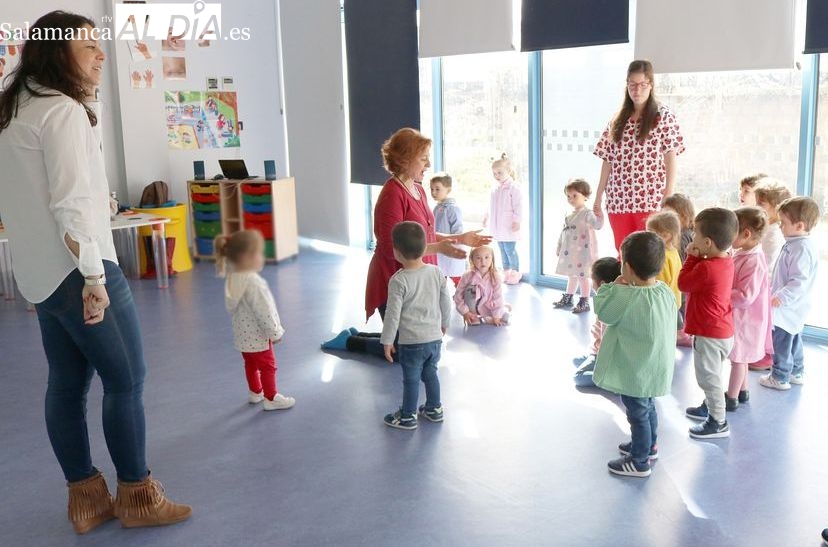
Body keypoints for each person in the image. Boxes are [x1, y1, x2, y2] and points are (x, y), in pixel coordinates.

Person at [0, 11, 190, 533]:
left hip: (40, 273)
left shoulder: (14, 106)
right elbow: (68, 207)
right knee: (126, 381)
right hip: (79, 270)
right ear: (56, 53)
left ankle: (85, 500)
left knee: (66, 384)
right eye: (88, 46)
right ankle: (138, 497)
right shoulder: (61, 111)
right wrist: (95, 279)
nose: (101, 55)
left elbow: (39, 198)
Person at [322, 128, 489, 353]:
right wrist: (440, 248)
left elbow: (424, 235)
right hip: (395, 282)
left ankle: (356, 336)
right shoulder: (392, 194)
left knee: (414, 342)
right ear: (405, 160)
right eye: (423, 158)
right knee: (406, 351)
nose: (428, 164)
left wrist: (461, 238)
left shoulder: (418, 189)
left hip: (418, 281)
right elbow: (395, 249)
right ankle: (350, 341)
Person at [593, 232, 677, 477]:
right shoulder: (664, 292)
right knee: (648, 408)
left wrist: (612, 286)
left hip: (634, 370)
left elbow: (604, 312)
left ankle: (640, 461)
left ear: (627, 267)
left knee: (637, 412)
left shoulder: (625, 295)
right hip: (655, 366)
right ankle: (649, 446)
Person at [593, 60, 685, 253]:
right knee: (623, 252)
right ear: (626, 86)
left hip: (650, 197)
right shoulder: (618, 119)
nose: (637, 90)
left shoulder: (663, 116)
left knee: (648, 254)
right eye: (632, 84)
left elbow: (671, 155)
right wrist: (598, 196)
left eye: (643, 84)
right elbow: (607, 160)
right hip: (619, 200)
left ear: (651, 85)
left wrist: (668, 192)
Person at [380, 222, 451, 430]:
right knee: (431, 373)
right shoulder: (436, 272)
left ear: (396, 252)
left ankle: (408, 416)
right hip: (434, 338)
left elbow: (392, 315)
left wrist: (386, 341)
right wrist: (445, 323)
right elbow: (446, 301)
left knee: (411, 379)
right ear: (424, 247)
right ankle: (434, 408)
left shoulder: (398, 281)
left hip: (411, 342)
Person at [215, 230, 295, 411]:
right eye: (259, 253)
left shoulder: (233, 276)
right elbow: (264, 312)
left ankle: (255, 391)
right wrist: (275, 333)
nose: (262, 257)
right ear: (247, 257)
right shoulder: (254, 283)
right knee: (268, 366)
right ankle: (271, 397)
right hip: (259, 337)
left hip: (242, 336)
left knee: (250, 363)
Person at [680, 208, 738, 439]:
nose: (691, 239)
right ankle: (709, 407)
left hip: (710, 334)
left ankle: (718, 421)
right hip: (723, 330)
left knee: (708, 378)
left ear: (706, 242)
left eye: (694, 235)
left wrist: (691, 255)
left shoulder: (705, 267)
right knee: (713, 374)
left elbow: (683, 283)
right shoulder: (726, 260)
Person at [759, 197, 821, 391]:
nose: (780, 227)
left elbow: (799, 281)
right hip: (793, 307)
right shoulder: (796, 243)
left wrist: (781, 297)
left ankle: (780, 376)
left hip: (789, 306)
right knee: (793, 338)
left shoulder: (801, 247)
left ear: (800, 225)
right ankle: (796, 371)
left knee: (783, 341)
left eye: (783, 223)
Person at [726, 207, 770, 411]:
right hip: (742, 317)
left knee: (738, 359)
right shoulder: (743, 253)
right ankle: (743, 392)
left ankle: (731, 397)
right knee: (740, 358)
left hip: (747, 319)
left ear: (746, 234)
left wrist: (723, 295)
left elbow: (745, 296)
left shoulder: (753, 260)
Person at [749, 179, 791, 371]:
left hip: (767, 285)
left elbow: (768, 262)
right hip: (762, 282)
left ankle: (765, 356)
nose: (758, 207)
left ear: (776, 207)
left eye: (762, 204)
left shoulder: (774, 233)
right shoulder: (767, 228)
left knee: (764, 322)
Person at [552, 178, 604, 313]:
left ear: (585, 196)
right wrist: (559, 247)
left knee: (582, 276)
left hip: (583, 252)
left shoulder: (587, 213)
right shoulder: (569, 215)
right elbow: (563, 232)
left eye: (575, 195)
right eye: (569, 196)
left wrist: (600, 216)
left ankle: (584, 300)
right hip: (570, 251)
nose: (571, 199)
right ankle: (568, 297)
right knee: (572, 275)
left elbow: (597, 226)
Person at [573, 257, 622, 388]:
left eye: (592, 280)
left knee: (578, 377)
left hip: (603, 355)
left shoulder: (606, 305)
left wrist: (600, 359)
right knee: (576, 360)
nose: (591, 284)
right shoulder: (615, 297)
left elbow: (607, 340)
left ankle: (613, 381)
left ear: (602, 283)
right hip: (598, 350)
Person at [483, 153, 522, 285]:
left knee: (510, 250)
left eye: (499, 173)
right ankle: (506, 271)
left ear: (509, 171)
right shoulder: (495, 189)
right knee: (501, 250)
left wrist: (517, 220)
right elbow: (491, 206)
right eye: (494, 173)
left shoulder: (513, 187)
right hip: (497, 226)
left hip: (508, 226)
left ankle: (515, 272)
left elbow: (518, 206)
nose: (496, 176)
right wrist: (486, 217)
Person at [454, 245, 510, 326]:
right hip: (472, 308)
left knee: (504, 317)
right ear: (472, 259)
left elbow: (498, 297)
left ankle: (503, 308)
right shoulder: (467, 276)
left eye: (487, 257)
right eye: (478, 258)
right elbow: (458, 295)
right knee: (470, 289)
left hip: (490, 307)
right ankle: (474, 316)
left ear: (492, 259)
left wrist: (496, 316)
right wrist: (465, 312)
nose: (483, 262)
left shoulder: (495, 276)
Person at [430, 172, 465, 286]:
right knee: (440, 277)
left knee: (457, 278)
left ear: (448, 190)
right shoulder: (437, 208)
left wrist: (453, 245)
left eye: (437, 189)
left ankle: (462, 300)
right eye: (432, 189)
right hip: (440, 250)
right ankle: (439, 299)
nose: (433, 192)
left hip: (451, 250)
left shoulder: (453, 209)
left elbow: (458, 231)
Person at [754, 179, 791, 269]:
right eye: (756, 202)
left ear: (777, 207)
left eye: (760, 204)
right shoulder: (764, 226)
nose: (756, 207)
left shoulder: (774, 235)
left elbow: (767, 267)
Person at [662, 193, 695, 263]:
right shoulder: (691, 232)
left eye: (668, 215)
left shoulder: (682, 238)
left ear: (684, 217)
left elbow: (678, 265)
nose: (663, 219)